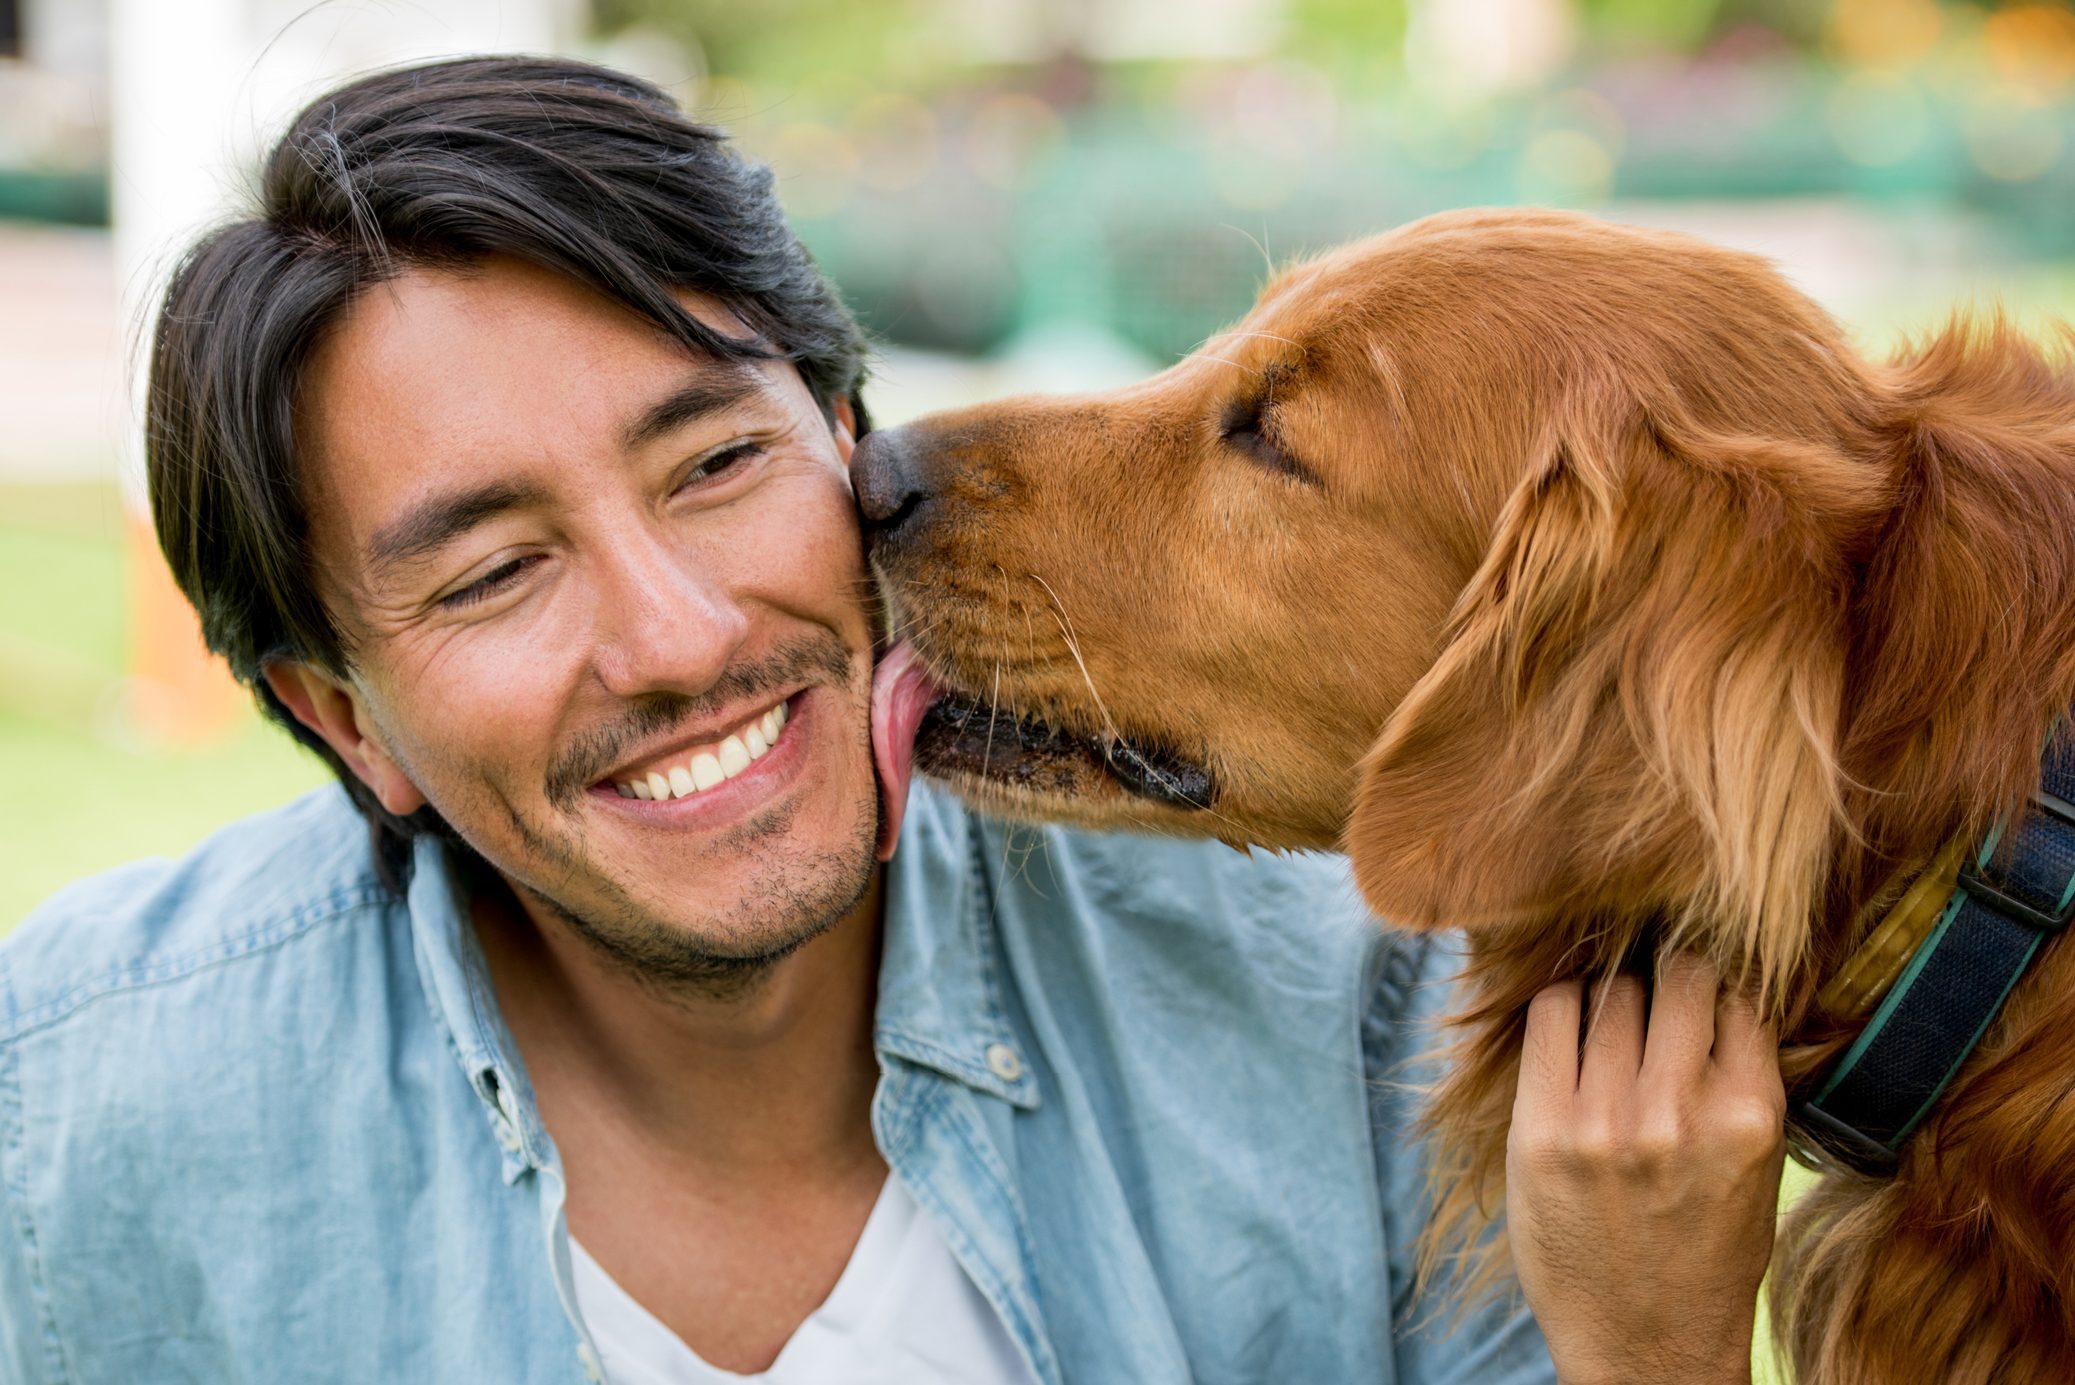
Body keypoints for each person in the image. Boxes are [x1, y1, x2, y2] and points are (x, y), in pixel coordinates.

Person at [0, 56, 1783, 1385]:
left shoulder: (1387, 1001)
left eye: (717, 464)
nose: (681, 637)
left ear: (845, 434)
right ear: (346, 721)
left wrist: (1656, 1363)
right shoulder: (71, 1114)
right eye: (494, 574)